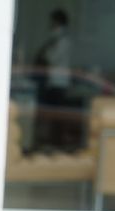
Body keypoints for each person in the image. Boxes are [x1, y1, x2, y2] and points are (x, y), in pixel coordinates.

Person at [33, 9, 72, 149]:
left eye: (53, 21)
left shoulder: (63, 41)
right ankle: (51, 142)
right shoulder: (56, 39)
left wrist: (44, 53)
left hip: (58, 83)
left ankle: (57, 143)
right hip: (52, 82)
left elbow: (51, 59)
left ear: (58, 22)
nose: (50, 24)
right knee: (51, 114)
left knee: (56, 115)